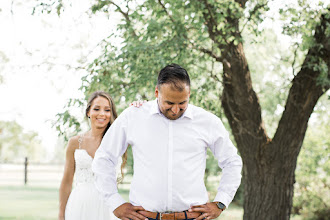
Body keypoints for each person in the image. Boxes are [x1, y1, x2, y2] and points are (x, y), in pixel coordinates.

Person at [92, 64, 243, 220]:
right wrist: (115, 202)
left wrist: (221, 202)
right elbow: (104, 158)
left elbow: (232, 162)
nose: (175, 110)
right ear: (157, 92)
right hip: (144, 217)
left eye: (182, 103)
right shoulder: (133, 116)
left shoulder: (208, 122)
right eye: (169, 103)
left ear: (189, 93)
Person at [58, 91, 127, 220]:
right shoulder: (75, 143)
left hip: (108, 206)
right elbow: (67, 182)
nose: (102, 114)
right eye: (96, 109)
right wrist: (61, 215)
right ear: (88, 112)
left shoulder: (117, 142)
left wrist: (139, 106)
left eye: (107, 110)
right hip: (80, 205)